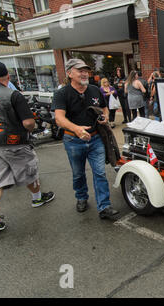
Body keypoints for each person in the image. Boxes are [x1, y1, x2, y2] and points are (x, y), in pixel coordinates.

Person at [53, 58, 119, 220]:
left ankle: (104, 206)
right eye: (80, 70)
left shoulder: (95, 90)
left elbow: (104, 108)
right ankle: (81, 197)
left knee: (100, 173)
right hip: (73, 141)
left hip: (96, 139)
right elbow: (59, 119)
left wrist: (105, 116)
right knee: (78, 174)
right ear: (69, 73)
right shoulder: (62, 93)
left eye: (86, 70)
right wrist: (77, 129)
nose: (84, 73)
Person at [0, 61, 55, 231]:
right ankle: (37, 198)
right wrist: (31, 128)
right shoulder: (13, 94)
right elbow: (28, 122)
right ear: (7, 76)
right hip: (14, 143)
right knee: (29, 171)